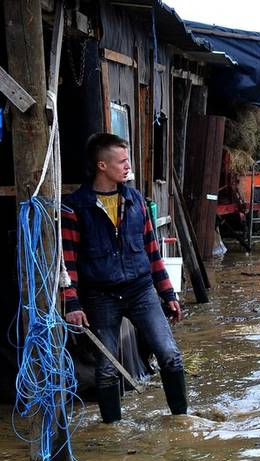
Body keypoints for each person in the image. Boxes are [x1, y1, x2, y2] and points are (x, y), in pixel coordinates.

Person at [61, 133, 187, 423]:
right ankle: (112, 430)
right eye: (122, 161)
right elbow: (68, 262)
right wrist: (72, 304)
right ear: (102, 165)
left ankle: (181, 421)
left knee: (170, 355)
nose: (128, 166)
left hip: (141, 290)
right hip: (101, 296)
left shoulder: (136, 201)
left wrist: (168, 294)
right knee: (106, 369)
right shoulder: (74, 207)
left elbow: (152, 252)